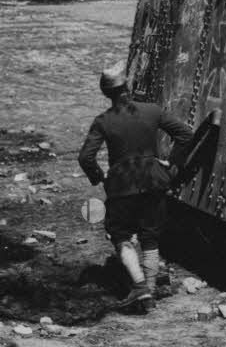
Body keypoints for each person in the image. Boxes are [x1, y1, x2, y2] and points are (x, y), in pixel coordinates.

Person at [79, 65, 193, 311]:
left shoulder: (103, 121)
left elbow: (86, 158)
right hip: (154, 180)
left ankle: (140, 287)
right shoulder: (152, 110)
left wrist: (100, 177)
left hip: (122, 184)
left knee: (120, 235)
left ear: (106, 93)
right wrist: (171, 163)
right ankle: (149, 291)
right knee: (150, 236)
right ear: (127, 86)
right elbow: (185, 134)